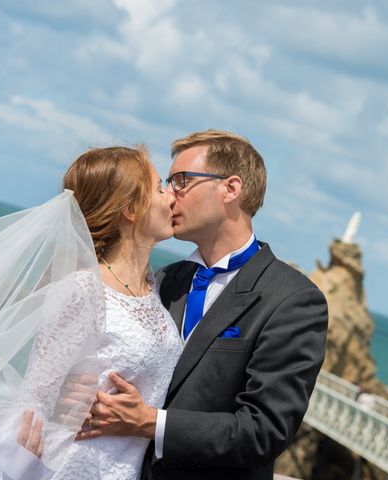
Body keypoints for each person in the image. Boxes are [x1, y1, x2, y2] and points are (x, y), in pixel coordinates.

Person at [77, 130, 329, 480]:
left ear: (231, 188)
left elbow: (265, 430)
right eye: (167, 182)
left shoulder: (292, 299)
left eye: (182, 180)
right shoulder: (164, 280)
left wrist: (150, 422)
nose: (171, 195)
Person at [0, 146, 183, 480]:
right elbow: (35, 399)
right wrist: (52, 417)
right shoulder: (83, 289)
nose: (171, 196)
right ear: (131, 208)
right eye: (161, 187)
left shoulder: (156, 288)